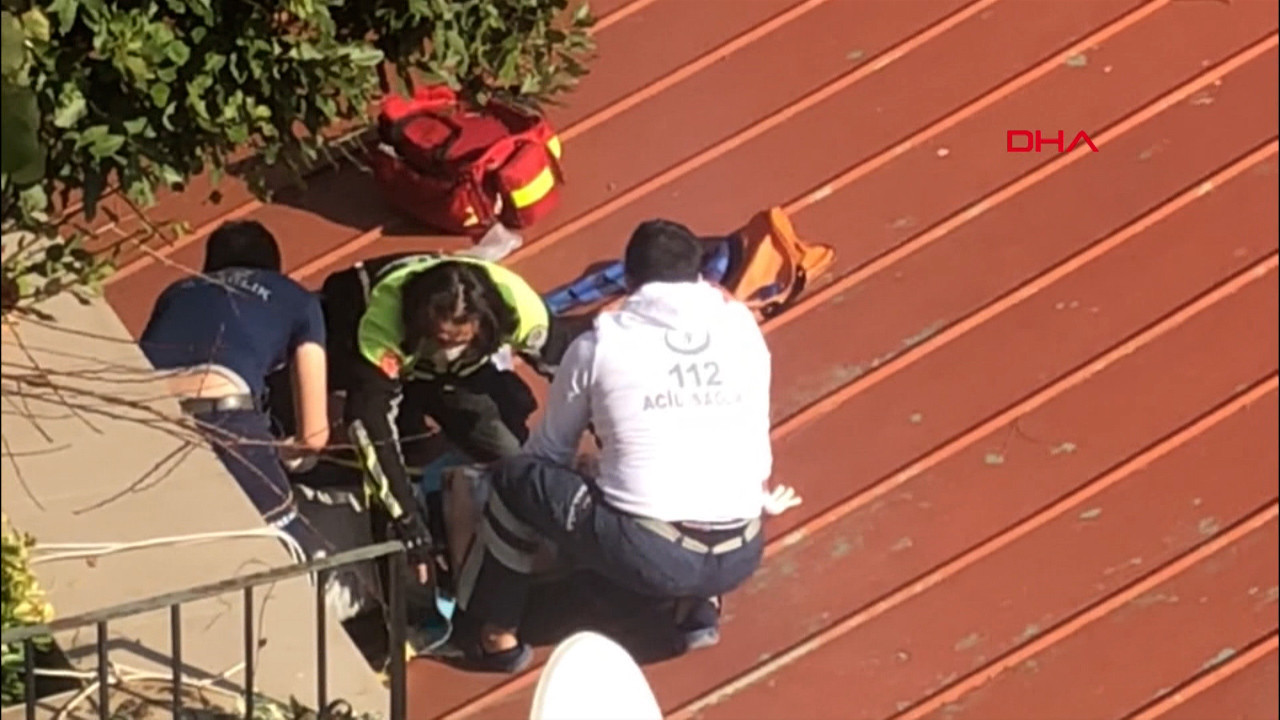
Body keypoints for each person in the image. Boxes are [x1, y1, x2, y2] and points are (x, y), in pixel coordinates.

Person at [445, 219, 795, 673]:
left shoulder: (600, 345)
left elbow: (549, 453)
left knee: (517, 481)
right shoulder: (742, 328)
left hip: (650, 554)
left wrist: (578, 480)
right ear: (698, 275)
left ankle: (497, 637)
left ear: (628, 279)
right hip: (742, 550)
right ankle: (698, 611)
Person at [319, 252, 571, 584]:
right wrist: (407, 519)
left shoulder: (521, 310)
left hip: (456, 375)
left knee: (509, 449)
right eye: (441, 339)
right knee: (388, 460)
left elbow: (577, 375)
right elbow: (370, 426)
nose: (449, 348)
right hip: (366, 342)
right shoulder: (385, 321)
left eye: (459, 340)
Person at [139, 219, 330, 555]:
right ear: (274, 265)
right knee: (298, 548)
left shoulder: (176, 291)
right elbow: (314, 436)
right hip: (225, 416)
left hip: (145, 413)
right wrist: (284, 450)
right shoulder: (298, 299)